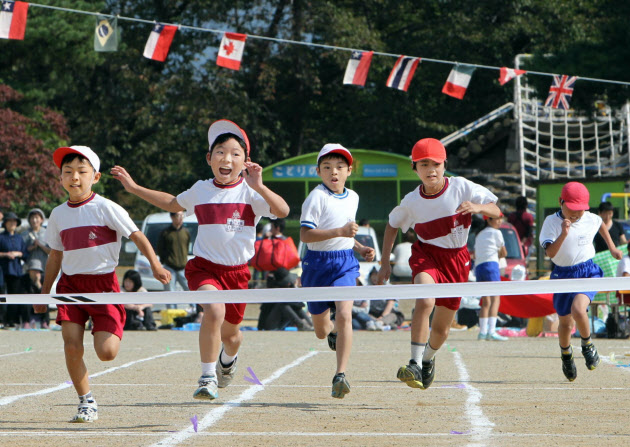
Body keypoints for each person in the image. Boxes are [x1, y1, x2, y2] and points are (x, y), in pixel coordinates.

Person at [112, 119, 289, 401]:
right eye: (220, 152)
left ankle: (227, 363)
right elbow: (172, 203)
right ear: (209, 158)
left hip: (238, 274)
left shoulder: (251, 193)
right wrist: (133, 188)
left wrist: (260, 186)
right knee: (214, 312)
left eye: (234, 153)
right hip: (204, 268)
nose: (226, 158)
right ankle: (207, 377)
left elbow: (282, 211)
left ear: (245, 162)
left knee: (233, 337)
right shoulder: (201, 189)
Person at [34, 145, 170, 423]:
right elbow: (55, 256)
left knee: (106, 353)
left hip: (104, 285)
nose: (74, 177)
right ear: (60, 178)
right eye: (68, 172)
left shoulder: (107, 207)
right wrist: (43, 294)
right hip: (71, 287)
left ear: (95, 177)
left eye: (82, 172)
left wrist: (155, 265)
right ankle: (86, 402)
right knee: (71, 345)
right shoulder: (58, 214)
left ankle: (111, 327)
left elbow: (136, 236)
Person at [377, 138, 500, 390]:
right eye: (424, 164)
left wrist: (477, 207)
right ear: (415, 168)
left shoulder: (462, 187)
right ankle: (413, 363)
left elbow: (496, 210)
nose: (431, 169)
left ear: (445, 165)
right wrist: (384, 263)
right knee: (425, 299)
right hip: (427, 255)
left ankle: (427, 360)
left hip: (457, 260)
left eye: (436, 163)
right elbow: (391, 226)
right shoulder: (412, 201)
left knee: (442, 330)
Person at [300, 143, 375, 399]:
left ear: (349, 171)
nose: (334, 172)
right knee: (321, 331)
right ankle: (331, 332)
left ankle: (340, 374)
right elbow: (305, 234)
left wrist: (360, 247)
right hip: (316, 264)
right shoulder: (316, 197)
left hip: (344, 263)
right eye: (328, 167)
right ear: (318, 171)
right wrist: (340, 233)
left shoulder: (353, 197)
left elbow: (344, 234)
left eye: (340, 167)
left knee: (345, 313)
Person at [539, 181, 622, 382]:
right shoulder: (551, 222)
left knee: (578, 309)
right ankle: (566, 354)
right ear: (561, 202)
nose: (577, 214)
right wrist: (564, 233)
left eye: (581, 210)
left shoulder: (590, 218)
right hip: (562, 274)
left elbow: (600, 224)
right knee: (565, 323)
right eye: (572, 209)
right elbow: (550, 253)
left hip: (587, 271)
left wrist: (612, 248)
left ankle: (587, 344)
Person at [474, 213, 508, 341]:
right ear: (488, 220)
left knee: (485, 301)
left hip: (479, 267)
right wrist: (499, 253)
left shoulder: (479, 234)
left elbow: (477, 253)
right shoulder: (496, 233)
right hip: (491, 265)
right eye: (497, 218)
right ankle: (492, 331)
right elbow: (504, 253)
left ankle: (482, 332)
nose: (500, 221)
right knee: (495, 298)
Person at [0, 212, 28, 328]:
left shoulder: (19, 238)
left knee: (14, 294)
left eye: (14, 221)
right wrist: (6, 254)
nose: (12, 223)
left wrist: (18, 253)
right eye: (10, 221)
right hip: (2, 269)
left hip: (15, 270)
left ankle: (12, 320)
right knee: (2, 294)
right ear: (5, 223)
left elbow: (25, 253)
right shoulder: (1, 237)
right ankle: (1, 320)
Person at [157, 211, 190, 308]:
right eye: (178, 216)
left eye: (182, 216)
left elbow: (187, 246)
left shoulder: (186, 232)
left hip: (183, 267)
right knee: (170, 293)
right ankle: (172, 316)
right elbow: (160, 249)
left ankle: (196, 313)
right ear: (172, 217)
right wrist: (165, 261)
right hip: (170, 267)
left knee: (190, 290)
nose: (180, 218)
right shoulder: (166, 233)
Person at [19, 259, 48, 329]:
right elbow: (23, 293)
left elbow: (45, 293)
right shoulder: (23, 279)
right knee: (26, 304)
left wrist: (38, 284)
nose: (36, 273)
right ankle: (26, 322)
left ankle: (44, 322)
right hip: (28, 301)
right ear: (29, 271)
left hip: (38, 301)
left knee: (46, 302)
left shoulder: (43, 279)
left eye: (38, 271)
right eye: (34, 270)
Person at [22, 208, 51, 274]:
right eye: (32, 218)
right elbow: (21, 251)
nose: (34, 220)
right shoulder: (24, 234)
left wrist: (40, 245)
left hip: (45, 265)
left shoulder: (47, 233)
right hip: (29, 266)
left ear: (42, 219)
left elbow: (51, 252)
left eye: (37, 218)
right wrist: (32, 247)